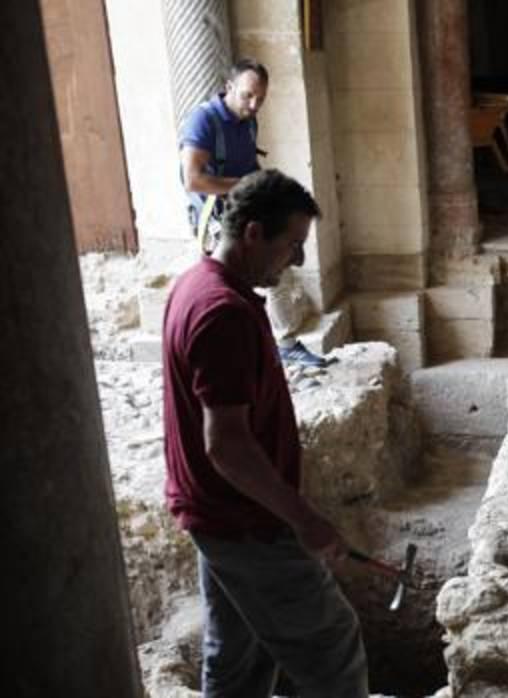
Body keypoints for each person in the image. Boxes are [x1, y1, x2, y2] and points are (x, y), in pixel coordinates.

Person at [162, 169, 369, 697]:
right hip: (243, 521)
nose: (297, 260)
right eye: (292, 244)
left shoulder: (198, 283)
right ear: (254, 233)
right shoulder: (222, 312)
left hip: (217, 513)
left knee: (239, 653)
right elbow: (226, 444)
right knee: (332, 644)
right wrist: (303, 519)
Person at [179, 59, 330, 368]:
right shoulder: (203, 122)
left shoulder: (249, 120)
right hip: (218, 215)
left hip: (247, 207)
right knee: (236, 279)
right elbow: (192, 179)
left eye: (260, 98)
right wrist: (245, 185)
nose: (254, 104)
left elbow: (249, 165)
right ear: (229, 87)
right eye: (248, 95)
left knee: (278, 259)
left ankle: (282, 343)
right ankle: (239, 350)